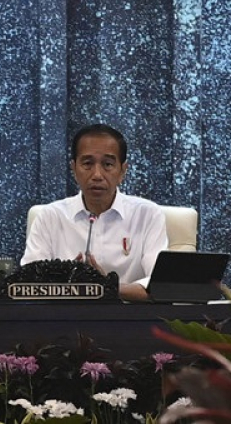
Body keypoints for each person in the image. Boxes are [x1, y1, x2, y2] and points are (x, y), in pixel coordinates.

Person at [21, 123, 168, 301]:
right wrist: (65, 281)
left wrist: (106, 287)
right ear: (74, 169)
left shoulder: (147, 215)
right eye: (88, 164)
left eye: (107, 164)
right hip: (63, 322)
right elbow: (27, 284)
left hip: (129, 322)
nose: (97, 174)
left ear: (122, 171)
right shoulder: (50, 216)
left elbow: (161, 287)